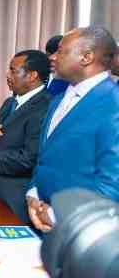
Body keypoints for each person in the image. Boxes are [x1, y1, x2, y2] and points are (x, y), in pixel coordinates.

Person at [27, 27, 119, 232]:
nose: (52, 57)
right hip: (41, 222)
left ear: (86, 57)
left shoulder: (113, 103)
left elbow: (113, 184)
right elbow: (44, 158)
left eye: (60, 51)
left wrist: (56, 215)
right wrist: (33, 194)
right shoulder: (58, 100)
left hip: (80, 231)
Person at [0, 50, 52, 223]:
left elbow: (28, 159)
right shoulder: (10, 102)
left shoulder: (45, 107)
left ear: (32, 76)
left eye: (13, 71)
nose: (7, 75)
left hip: (17, 199)